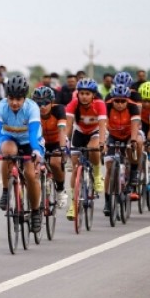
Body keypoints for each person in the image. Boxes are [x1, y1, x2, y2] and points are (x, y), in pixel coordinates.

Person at [0, 75, 43, 233]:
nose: (14, 103)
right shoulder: (0, 107)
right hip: (9, 137)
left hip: (30, 141)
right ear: (6, 97)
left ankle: (36, 211)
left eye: (18, 99)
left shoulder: (32, 108)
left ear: (25, 98)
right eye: (11, 98)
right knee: (8, 154)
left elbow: (32, 135)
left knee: (30, 175)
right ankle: (5, 191)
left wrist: (36, 151)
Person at [64, 78, 107, 220]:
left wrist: (102, 142)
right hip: (80, 132)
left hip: (95, 132)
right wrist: (65, 143)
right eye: (81, 93)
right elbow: (69, 126)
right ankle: (73, 204)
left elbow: (102, 125)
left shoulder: (100, 104)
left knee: (93, 148)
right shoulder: (73, 104)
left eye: (87, 93)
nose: (84, 96)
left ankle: (96, 174)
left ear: (93, 95)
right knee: (76, 167)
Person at [103, 85, 143, 214]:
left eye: (123, 101)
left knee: (136, 143)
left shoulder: (133, 107)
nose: (120, 104)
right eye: (117, 101)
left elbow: (135, 126)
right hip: (113, 136)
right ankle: (108, 202)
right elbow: (102, 125)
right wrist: (103, 142)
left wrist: (132, 140)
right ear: (112, 100)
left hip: (128, 134)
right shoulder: (107, 107)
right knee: (109, 168)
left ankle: (133, 173)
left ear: (127, 100)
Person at [31, 86, 69, 208]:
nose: (42, 106)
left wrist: (62, 149)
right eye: (39, 103)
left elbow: (62, 130)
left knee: (55, 162)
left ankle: (60, 190)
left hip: (58, 141)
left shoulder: (59, 109)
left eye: (46, 103)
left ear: (52, 102)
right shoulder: (31, 112)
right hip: (40, 142)